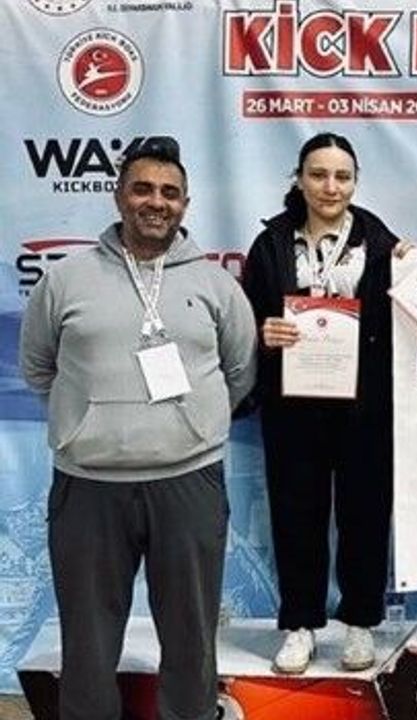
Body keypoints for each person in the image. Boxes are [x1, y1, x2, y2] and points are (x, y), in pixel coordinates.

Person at [19, 137, 257, 720]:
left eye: (170, 193)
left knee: (191, 636)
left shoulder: (216, 285)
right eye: (143, 189)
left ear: (185, 205)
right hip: (88, 485)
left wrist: (187, 424)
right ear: (119, 195)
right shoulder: (65, 279)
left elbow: (240, 370)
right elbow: (38, 368)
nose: (157, 201)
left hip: (189, 481)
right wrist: (90, 421)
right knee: (87, 640)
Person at [241, 133, 410, 674]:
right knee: (295, 514)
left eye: (342, 176)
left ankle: (360, 622)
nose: (330, 187)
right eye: (318, 175)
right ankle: (299, 624)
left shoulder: (381, 243)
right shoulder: (270, 245)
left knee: (366, 514)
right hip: (293, 407)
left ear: (355, 182)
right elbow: (243, 320)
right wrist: (262, 331)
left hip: (366, 407)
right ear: (299, 179)